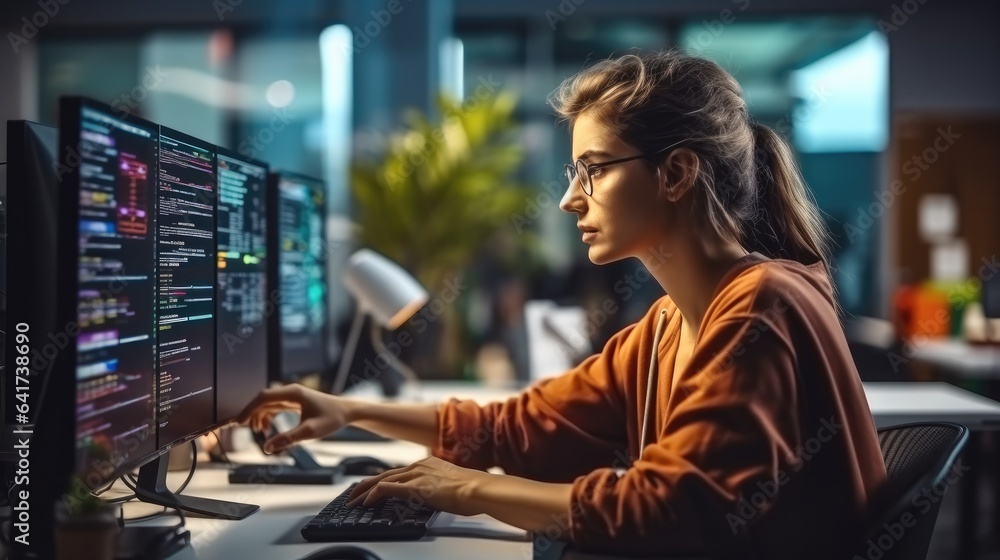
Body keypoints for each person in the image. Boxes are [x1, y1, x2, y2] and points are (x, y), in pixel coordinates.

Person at [237, 50, 887, 559]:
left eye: (593, 169)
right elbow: (515, 428)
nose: (568, 199)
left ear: (676, 173)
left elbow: (677, 507)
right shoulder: (663, 329)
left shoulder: (760, 307)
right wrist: (348, 409)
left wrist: (467, 489)